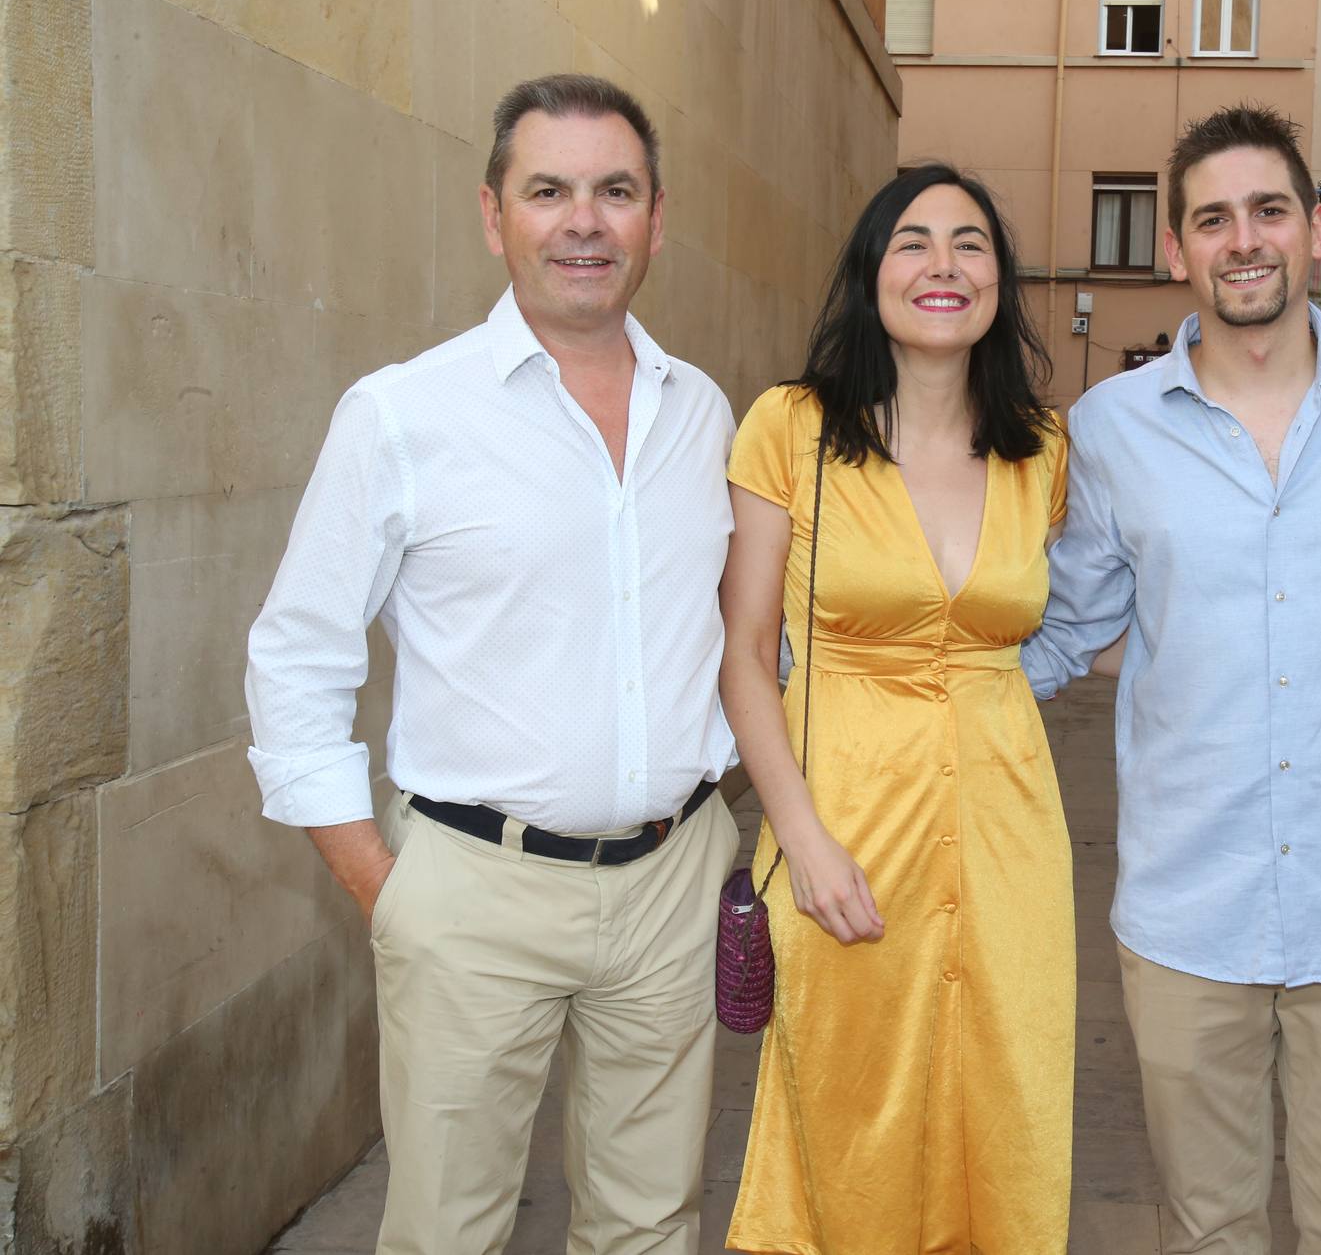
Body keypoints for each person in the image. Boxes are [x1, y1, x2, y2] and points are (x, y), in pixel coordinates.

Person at [245, 73, 738, 1255]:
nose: (584, 221)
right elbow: (297, 653)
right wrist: (385, 881)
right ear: (493, 215)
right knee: (446, 1231)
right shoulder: (403, 414)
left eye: (614, 192)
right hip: (472, 887)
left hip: (674, 882)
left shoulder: (705, 414)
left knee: (651, 1224)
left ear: (656, 219)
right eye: (549, 191)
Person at [1022, 104, 1321, 1255]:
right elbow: (1060, 630)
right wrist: (875, 694)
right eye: (1212, 218)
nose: (1244, 240)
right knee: (1206, 1229)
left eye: (1269, 210)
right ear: (1175, 249)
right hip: (1190, 910)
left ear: (1317, 228)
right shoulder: (1110, 428)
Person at [718, 163, 1073, 1253]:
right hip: (850, 833)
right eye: (912, 241)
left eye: (971, 243)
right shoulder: (792, 427)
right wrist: (802, 841)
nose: (943, 264)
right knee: (849, 1122)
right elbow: (740, 656)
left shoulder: (1041, 449)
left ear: (1000, 282)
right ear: (872, 272)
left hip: (1010, 836)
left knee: (1003, 1107)